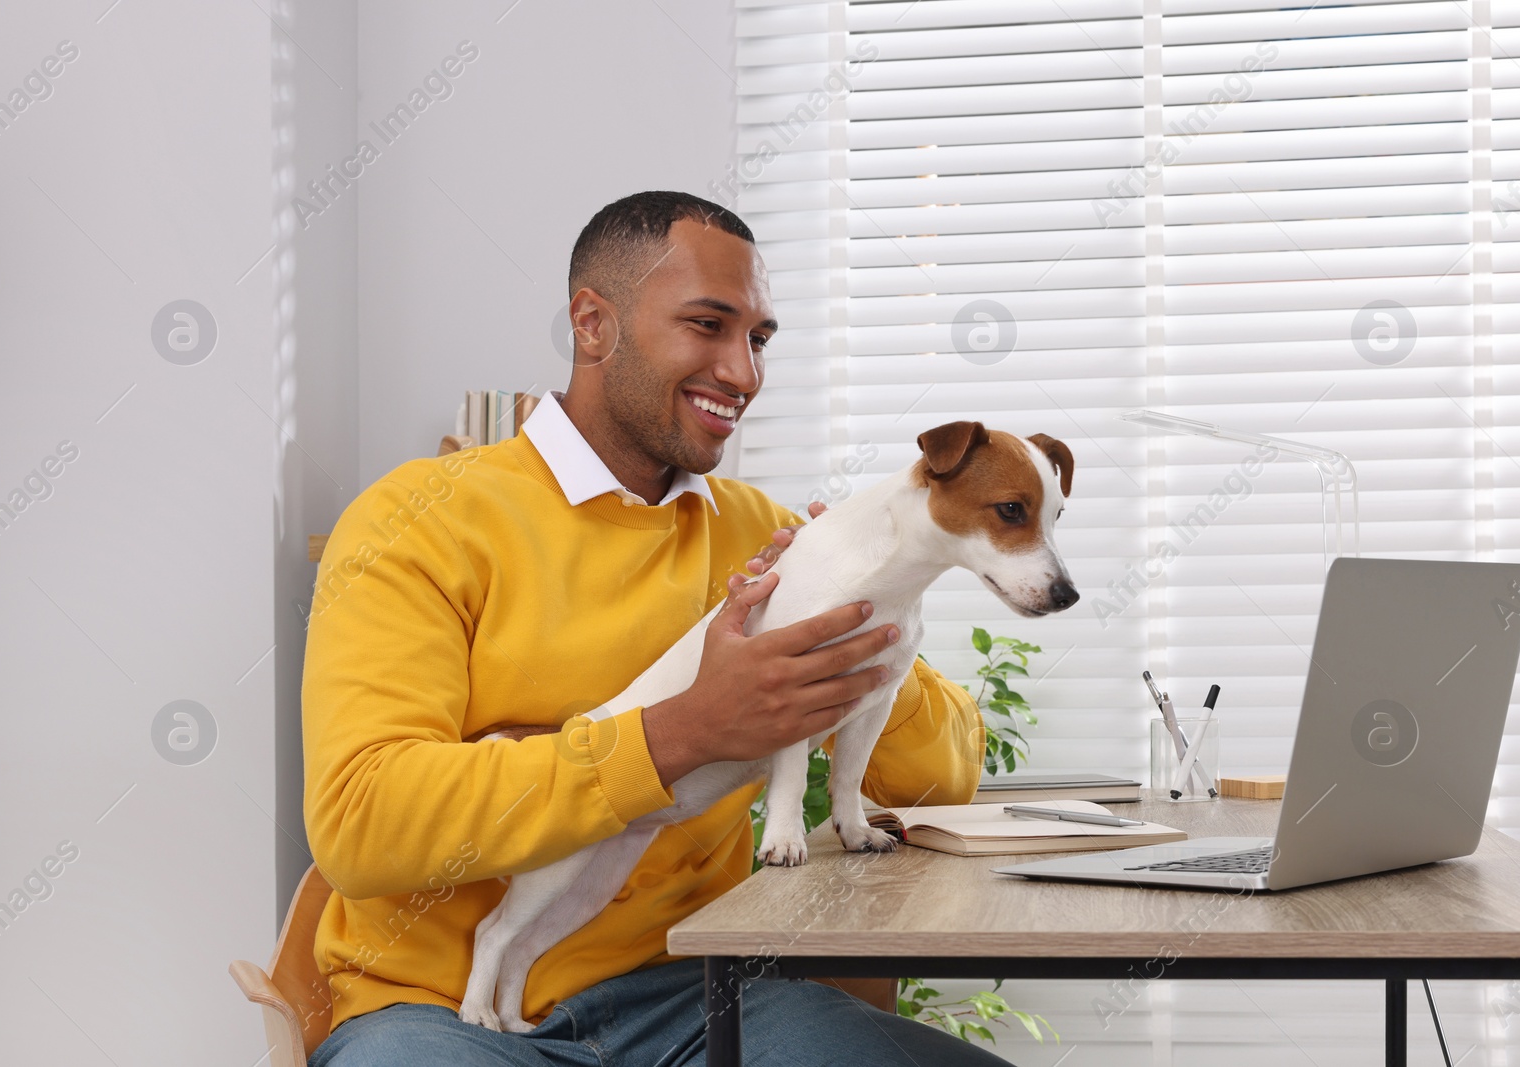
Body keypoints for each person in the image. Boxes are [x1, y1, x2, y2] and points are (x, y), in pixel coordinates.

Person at [302, 190, 1008, 1065]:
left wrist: (874, 606)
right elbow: (363, 820)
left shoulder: (771, 538)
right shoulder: (419, 519)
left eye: (758, 339)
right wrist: (679, 732)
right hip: (435, 1014)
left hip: (699, 994)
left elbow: (944, 782)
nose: (744, 372)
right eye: (708, 325)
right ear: (592, 326)